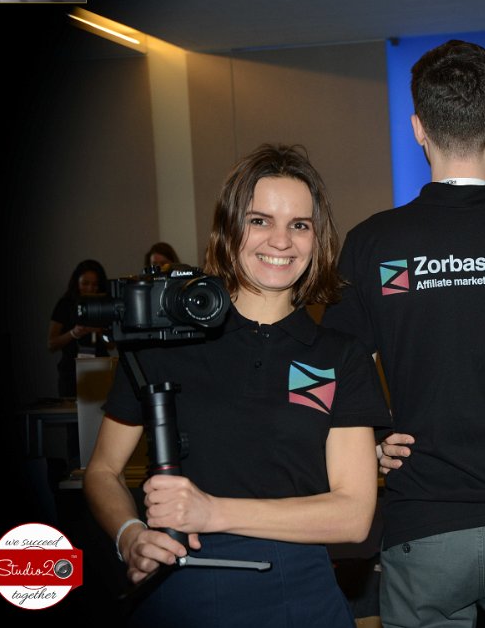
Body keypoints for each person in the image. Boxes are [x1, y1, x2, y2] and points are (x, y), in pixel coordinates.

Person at [323, 40, 485, 627]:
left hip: (423, 527)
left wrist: (371, 444)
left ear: (418, 129)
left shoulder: (374, 243)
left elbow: (320, 376)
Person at [84, 144, 390, 627]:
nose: (281, 241)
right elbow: (102, 470)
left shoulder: (339, 357)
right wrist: (130, 536)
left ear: (317, 239)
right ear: (229, 229)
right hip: (182, 584)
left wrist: (212, 512)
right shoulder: (164, 343)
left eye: (300, 225)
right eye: (260, 220)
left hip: (300, 591)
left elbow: (352, 516)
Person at [47, 259, 111, 397]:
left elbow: (112, 345)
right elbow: (51, 344)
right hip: (71, 372)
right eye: (85, 283)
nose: (90, 289)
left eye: (95, 285)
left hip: (100, 370)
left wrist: (99, 331)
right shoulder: (65, 304)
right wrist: (74, 333)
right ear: (77, 282)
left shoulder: (105, 304)